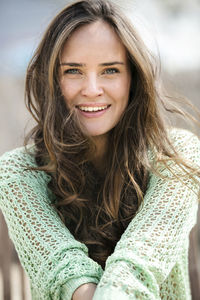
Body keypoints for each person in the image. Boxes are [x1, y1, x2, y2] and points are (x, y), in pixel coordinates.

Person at [0, 0, 200, 299]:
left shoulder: (177, 154)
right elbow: (65, 272)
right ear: (53, 80)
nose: (92, 88)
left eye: (110, 70)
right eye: (73, 71)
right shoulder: (18, 172)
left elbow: (137, 267)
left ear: (133, 77)